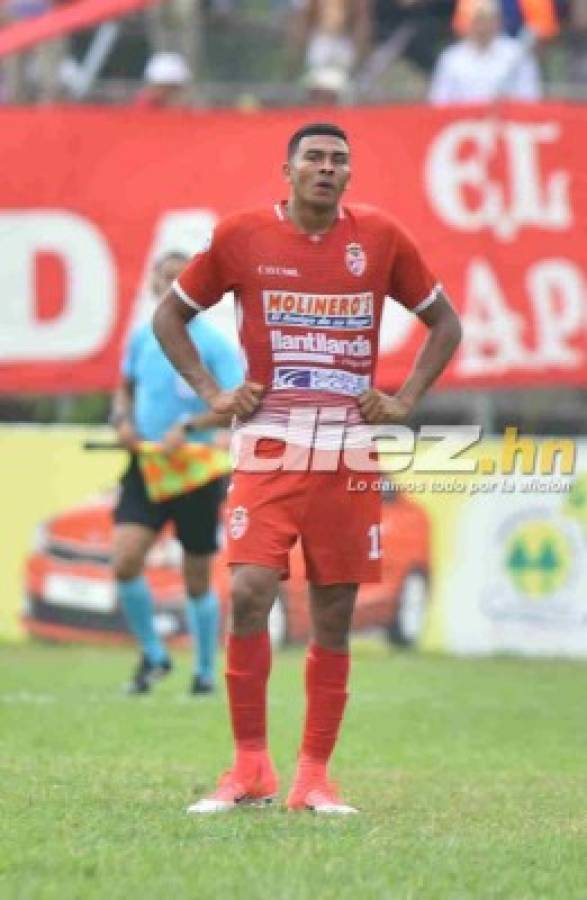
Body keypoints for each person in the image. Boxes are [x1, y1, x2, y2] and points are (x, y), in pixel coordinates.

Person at [153, 122, 462, 814]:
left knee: (333, 612)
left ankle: (313, 779)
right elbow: (169, 318)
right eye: (314, 159)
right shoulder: (241, 237)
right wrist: (211, 393)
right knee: (253, 591)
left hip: (349, 450)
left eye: (337, 161)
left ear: (348, 175)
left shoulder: (379, 237)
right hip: (268, 443)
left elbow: (446, 323)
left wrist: (405, 397)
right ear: (286, 171)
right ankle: (249, 769)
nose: (326, 169)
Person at [112, 251, 243, 695]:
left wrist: (190, 426)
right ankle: (153, 655)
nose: (170, 287)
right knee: (125, 560)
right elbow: (124, 391)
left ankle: (205, 671)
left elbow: (237, 405)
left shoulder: (215, 345)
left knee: (196, 576)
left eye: (180, 280)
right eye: (164, 278)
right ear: (152, 283)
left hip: (196, 471)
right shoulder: (140, 339)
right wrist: (122, 422)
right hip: (146, 464)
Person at [429, 0, 542, 104]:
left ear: (498, 21)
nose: (482, 27)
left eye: (488, 20)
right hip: (462, 122)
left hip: (509, 121)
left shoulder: (517, 55)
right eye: (478, 20)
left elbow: (530, 96)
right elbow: (439, 101)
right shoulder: (451, 58)